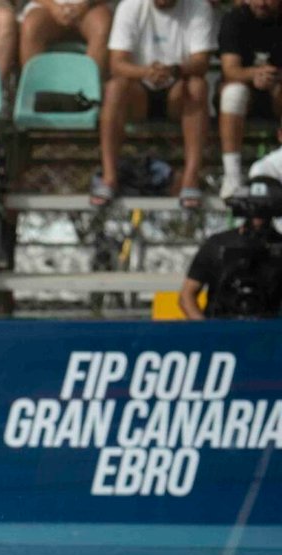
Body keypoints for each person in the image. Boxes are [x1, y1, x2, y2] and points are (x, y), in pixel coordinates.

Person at [94, 0, 217, 209]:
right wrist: (146, 72)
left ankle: (190, 178)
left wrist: (174, 70)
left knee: (197, 86)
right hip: (139, 92)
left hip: (178, 92)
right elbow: (117, 63)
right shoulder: (130, 6)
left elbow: (201, 62)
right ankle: (109, 177)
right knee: (115, 87)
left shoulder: (199, 7)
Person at [178, 175, 282, 318]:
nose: (258, 217)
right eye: (254, 208)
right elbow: (187, 296)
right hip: (221, 328)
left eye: (265, 209)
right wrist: (207, 332)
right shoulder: (218, 244)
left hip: (267, 333)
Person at [217, 0, 282, 199]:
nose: (261, 3)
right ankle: (232, 178)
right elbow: (230, 70)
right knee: (233, 93)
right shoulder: (234, 19)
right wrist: (256, 74)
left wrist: (273, 77)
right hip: (244, 93)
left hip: (276, 91)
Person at [18, 0, 113, 75]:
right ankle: (34, 88)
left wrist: (85, 5)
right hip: (47, 6)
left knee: (102, 27)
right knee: (32, 26)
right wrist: (53, 7)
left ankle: (89, 90)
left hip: (91, 6)